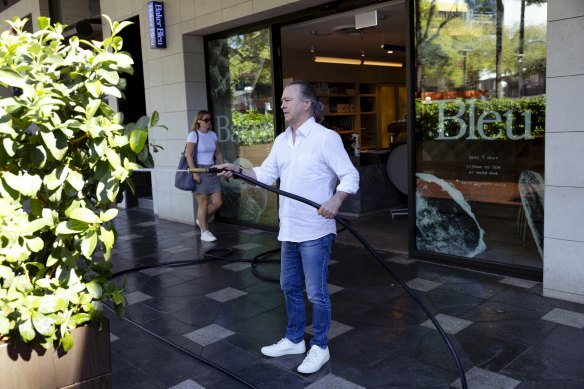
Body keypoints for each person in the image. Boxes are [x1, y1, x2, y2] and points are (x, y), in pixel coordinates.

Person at [214, 80, 359, 374]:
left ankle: (320, 346)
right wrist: (238, 169)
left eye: (287, 100)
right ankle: (295, 339)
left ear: (307, 104)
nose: (281, 104)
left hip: (315, 231)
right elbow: (265, 175)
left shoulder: (325, 138)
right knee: (289, 286)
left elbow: (350, 176)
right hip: (289, 230)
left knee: (316, 292)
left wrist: (336, 200)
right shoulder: (282, 141)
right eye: (281, 100)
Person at [186, 110, 224, 242]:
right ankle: (204, 231)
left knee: (218, 202)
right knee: (203, 204)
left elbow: (218, 154)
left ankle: (200, 220)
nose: (209, 122)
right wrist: (195, 172)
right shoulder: (193, 135)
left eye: (210, 119)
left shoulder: (212, 135)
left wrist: (222, 167)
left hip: (212, 170)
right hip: (200, 170)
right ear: (199, 121)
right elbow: (188, 155)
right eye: (206, 119)